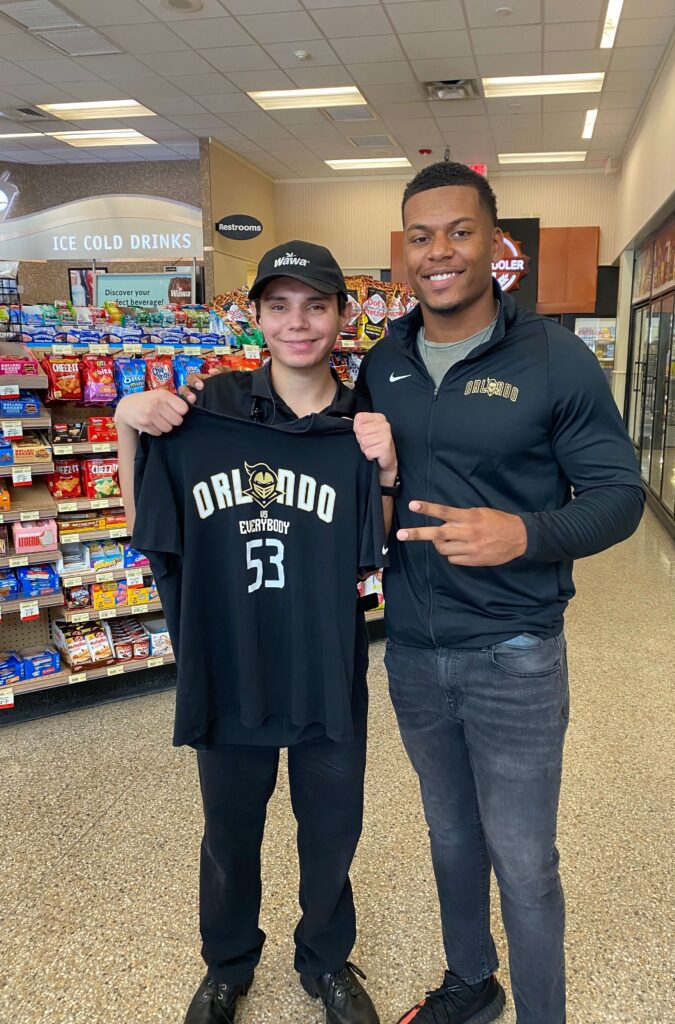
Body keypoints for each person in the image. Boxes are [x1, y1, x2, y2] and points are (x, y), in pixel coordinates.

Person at [353, 162, 645, 1024]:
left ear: (493, 245)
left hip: (515, 654)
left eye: (459, 231)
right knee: (450, 836)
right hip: (413, 650)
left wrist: (524, 534)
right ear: (405, 251)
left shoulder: (555, 358)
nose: (438, 252)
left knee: (522, 860)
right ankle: (472, 984)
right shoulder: (384, 361)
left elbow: (620, 497)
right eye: (420, 236)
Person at [115, 240, 397, 1024]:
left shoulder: (359, 424)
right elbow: (148, 526)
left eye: (315, 305)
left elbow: (372, 550)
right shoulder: (212, 407)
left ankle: (327, 962)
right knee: (229, 832)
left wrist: (384, 472)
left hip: (322, 666)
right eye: (280, 305)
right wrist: (126, 423)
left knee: (332, 828)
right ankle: (227, 965)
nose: (297, 323)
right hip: (230, 663)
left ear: (343, 314)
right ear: (256, 315)